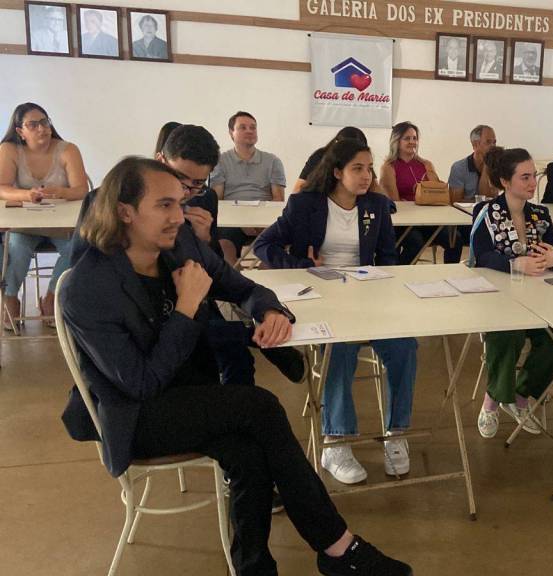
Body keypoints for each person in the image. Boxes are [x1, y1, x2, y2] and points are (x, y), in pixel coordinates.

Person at [61, 157, 410, 576]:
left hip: (190, 391)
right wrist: (187, 307)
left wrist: (269, 310)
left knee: (249, 455)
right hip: (137, 415)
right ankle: (339, 549)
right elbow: (141, 383)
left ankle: (256, 567)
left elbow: (239, 285)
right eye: (164, 206)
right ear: (124, 212)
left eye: (179, 203)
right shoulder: (87, 286)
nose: (179, 217)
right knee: (259, 406)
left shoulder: (179, 243)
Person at [70, 124, 306, 389]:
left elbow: (219, 272)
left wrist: (204, 240)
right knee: (228, 343)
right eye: (179, 181)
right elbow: (86, 278)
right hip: (144, 329)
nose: (185, 194)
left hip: (191, 299)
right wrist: (187, 301)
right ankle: (250, 341)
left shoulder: (203, 201)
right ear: (161, 160)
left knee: (238, 365)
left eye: (196, 184)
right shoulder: (107, 203)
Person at [254, 139, 418, 484]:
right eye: (357, 168)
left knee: (405, 345)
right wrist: (301, 266)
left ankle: (396, 433)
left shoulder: (377, 205)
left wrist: (384, 285)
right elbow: (263, 245)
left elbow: (389, 258)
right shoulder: (305, 204)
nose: (366, 175)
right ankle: (336, 443)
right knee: (339, 347)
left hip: (368, 300)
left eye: (369, 168)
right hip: (322, 300)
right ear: (337, 172)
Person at [469, 147, 553, 437]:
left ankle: (520, 395)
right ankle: (492, 400)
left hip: (539, 298)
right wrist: (514, 264)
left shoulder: (540, 213)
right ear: (505, 181)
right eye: (524, 177)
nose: (532, 183)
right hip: (499, 298)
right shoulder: (486, 212)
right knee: (508, 332)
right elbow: (480, 256)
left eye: (533, 176)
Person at [0, 102, 88, 329]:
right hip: (25, 226)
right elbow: (2, 187)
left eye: (44, 122)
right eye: (33, 124)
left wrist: (60, 192)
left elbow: (81, 190)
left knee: (78, 247)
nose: (42, 128)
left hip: (61, 225)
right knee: (17, 247)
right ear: (20, 131)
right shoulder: (9, 150)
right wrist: (26, 195)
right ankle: (10, 297)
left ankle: (51, 298)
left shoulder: (68, 150)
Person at [379, 121, 463, 264]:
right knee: (415, 242)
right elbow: (395, 201)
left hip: (429, 219)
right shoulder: (388, 167)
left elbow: (438, 194)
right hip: (404, 222)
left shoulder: (426, 164)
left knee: (455, 239)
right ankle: (400, 272)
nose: (412, 142)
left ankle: (450, 272)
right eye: (407, 138)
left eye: (415, 138)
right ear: (397, 141)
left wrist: (429, 174)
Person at [211, 111, 286, 266]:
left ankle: (265, 277)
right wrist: (241, 221)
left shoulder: (273, 161)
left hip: (265, 220)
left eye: (253, 127)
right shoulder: (220, 161)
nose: (249, 131)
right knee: (223, 242)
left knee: (278, 241)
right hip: (232, 221)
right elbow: (217, 199)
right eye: (243, 127)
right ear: (231, 133)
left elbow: (278, 199)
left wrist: (259, 221)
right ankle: (233, 277)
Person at [294, 126, 382, 195]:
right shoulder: (320, 156)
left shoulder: (363, 160)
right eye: (358, 168)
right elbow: (297, 190)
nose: (366, 176)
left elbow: (376, 190)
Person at [448, 124, 497, 202]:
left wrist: (487, 165)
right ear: (475, 144)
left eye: (494, 142)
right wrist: (478, 203)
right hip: (466, 210)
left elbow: (489, 197)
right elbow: (455, 201)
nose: (493, 146)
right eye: (488, 142)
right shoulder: (459, 168)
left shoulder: (496, 166)